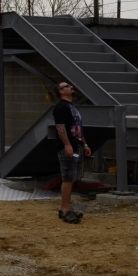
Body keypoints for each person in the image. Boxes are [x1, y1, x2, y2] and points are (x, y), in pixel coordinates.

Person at [53, 83, 90, 224]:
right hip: (68, 148)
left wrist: (84, 144)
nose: (71, 87)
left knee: (73, 178)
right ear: (61, 91)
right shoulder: (61, 107)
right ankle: (65, 210)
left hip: (76, 146)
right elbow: (60, 127)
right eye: (67, 86)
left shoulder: (72, 107)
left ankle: (66, 207)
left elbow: (77, 129)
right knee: (68, 178)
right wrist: (67, 145)